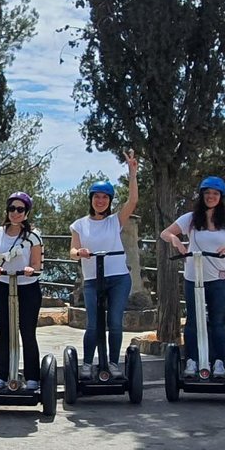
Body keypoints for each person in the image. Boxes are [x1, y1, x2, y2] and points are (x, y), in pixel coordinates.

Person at [158, 176, 225, 378]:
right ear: (202, 195)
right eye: (207, 193)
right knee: (193, 320)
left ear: (221, 197)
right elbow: (165, 233)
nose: (211, 197)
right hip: (194, 277)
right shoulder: (190, 218)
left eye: (215, 194)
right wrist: (175, 240)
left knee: (217, 321)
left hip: (218, 277)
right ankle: (192, 361)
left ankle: (218, 362)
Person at [70, 150, 140, 378]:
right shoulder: (79, 225)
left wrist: (132, 172)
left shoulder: (115, 221)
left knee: (115, 322)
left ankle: (113, 363)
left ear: (109, 201)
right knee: (93, 324)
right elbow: (72, 251)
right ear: (91, 199)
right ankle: (88, 363)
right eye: (96, 197)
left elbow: (133, 201)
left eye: (105, 197)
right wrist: (79, 252)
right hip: (92, 280)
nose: (100, 201)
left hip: (118, 278)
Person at [0, 191, 44, 390]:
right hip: (2, 284)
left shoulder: (33, 236)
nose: (15, 213)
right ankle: (1, 375)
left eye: (20, 209)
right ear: (7, 211)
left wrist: (30, 270)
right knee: (5, 331)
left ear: (26, 213)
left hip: (27, 288)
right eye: (12, 209)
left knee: (27, 332)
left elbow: (37, 263)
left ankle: (32, 377)